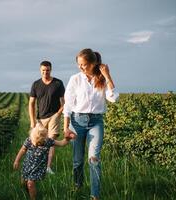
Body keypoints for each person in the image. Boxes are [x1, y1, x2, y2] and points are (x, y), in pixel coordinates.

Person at [63, 48, 119, 200]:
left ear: (94, 63)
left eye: (84, 64)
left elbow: (113, 98)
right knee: (77, 161)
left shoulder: (101, 79)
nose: (81, 67)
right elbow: (68, 104)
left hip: (96, 122)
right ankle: (77, 186)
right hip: (77, 121)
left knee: (93, 159)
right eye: (79, 64)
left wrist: (107, 75)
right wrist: (66, 127)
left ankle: (95, 195)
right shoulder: (75, 79)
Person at [13, 123, 73, 200]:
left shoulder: (48, 141)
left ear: (45, 137)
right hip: (27, 166)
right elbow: (22, 150)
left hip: (39, 168)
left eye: (41, 140)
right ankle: (26, 191)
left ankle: (33, 198)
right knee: (24, 182)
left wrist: (67, 138)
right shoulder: (29, 140)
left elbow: (61, 143)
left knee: (30, 183)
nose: (39, 142)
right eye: (36, 141)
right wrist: (16, 161)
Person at [29, 60, 65, 174]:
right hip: (40, 118)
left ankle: (48, 167)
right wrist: (32, 121)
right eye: (43, 70)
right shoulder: (36, 84)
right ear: (40, 70)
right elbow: (31, 103)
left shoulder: (58, 83)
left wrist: (58, 114)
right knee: (37, 142)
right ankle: (36, 165)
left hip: (54, 115)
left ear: (51, 70)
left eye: (48, 70)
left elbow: (63, 102)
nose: (46, 72)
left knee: (51, 142)